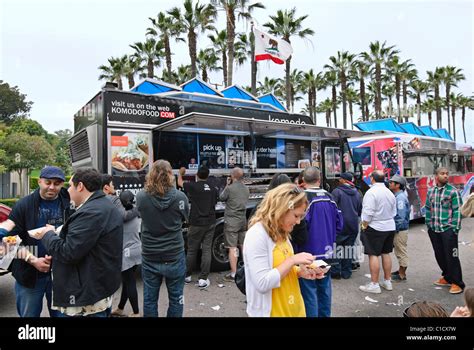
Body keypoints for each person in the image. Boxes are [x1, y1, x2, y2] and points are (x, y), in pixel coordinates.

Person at [33, 167, 123, 317]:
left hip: (88, 298)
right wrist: (58, 232)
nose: (68, 191)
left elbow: (68, 252)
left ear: (80, 186)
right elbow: (86, 240)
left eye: (70, 185)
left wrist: (47, 234)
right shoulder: (103, 205)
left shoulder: (91, 212)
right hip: (100, 289)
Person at [0, 166, 73, 317]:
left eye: (57, 183)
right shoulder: (23, 205)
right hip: (29, 275)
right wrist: (33, 260)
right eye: (47, 182)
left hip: (61, 274)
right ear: (39, 181)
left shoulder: (68, 203)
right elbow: (8, 241)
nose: (52, 187)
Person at [244, 183, 324, 317]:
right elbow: (262, 283)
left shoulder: (282, 232)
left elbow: (281, 269)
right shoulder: (257, 235)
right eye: (296, 216)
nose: (298, 222)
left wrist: (301, 272)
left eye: (301, 217)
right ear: (281, 209)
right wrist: (293, 260)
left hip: (293, 310)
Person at [137, 160, 189, 317]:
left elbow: (141, 215)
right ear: (169, 174)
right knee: (176, 298)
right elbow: (185, 218)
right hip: (174, 254)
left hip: (150, 255)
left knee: (149, 300)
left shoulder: (141, 197)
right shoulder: (181, 197)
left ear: (151, 174)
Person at [299, 167, 343, 317]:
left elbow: (300, 228)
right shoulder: (330, 198)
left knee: (309, 292)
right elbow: (339, 224)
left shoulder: (302, 199)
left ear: (303, 181)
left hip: (307, 254)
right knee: (324, 289)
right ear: (319, 179)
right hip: (327, 252)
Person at [425, 167, 465, 294]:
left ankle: (457, 283)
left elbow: (458, 211)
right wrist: (429, 225)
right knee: (440, 255)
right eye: (442, 174)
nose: (446, 176)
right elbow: (427, 209)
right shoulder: (431, 191)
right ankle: (447, 277)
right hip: (434, 229)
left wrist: (455, 228)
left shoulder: (453, 191)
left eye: (447, 174)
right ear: (436, 176)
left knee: (452, 256)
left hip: (448, 230)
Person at [179, 166, 218, 289]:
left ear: (197, 174)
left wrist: (180, 173)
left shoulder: (193, 186)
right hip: (210, 222)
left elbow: (180, 183)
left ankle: (187, 276)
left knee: (191, 250)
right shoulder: (213, 188)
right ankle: (203, 279)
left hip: (196, 222)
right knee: (206, 250)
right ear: (208, 175)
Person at [359, 170, 397, 294]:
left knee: (373, 254)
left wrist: (364, 225)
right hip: (389, 226)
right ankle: (387, 281)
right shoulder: (389, 192)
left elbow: (368, 214)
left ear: (372, 179)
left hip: (375, 227)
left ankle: (374, 284)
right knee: (386, 253)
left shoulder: (371, 193)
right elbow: (394, 212)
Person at [111, 191, 142, 317]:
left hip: (126, 253)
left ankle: (136, 312)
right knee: (127, 281)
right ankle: (120, 308)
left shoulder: (121, 216)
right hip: (137, 250)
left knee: (129, 282)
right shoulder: (135, 212)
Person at [219, 167, 249, 282]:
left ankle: (234, 273)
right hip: (242, 221)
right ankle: (248, 270)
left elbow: (222, 198)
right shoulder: (246, 189)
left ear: (232, 176)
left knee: (232, 248)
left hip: (232, 222)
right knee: (243, 245)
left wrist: (227, 185)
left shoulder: (230, 189)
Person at [331, 172, 362, 279]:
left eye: (340, 179)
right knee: (348, 248)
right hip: (353, 225)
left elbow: (332, 208)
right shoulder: (357, 193)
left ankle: (336, 272)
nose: (339, 180)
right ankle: (347, 272)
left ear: (344, 180)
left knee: (337, 248)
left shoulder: (337, 192)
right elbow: (359, 210)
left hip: (340, 225)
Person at [388, 175, 410, 281]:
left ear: (398, 185)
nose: (390, 184)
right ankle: (401, 270)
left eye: (392, 182)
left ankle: (402, 274)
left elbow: (400, 217)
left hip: (400, 230)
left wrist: (394, 228)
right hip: (400, 229)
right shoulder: (397, 196)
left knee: (401, 251)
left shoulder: (400, 198)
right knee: (398, 250)